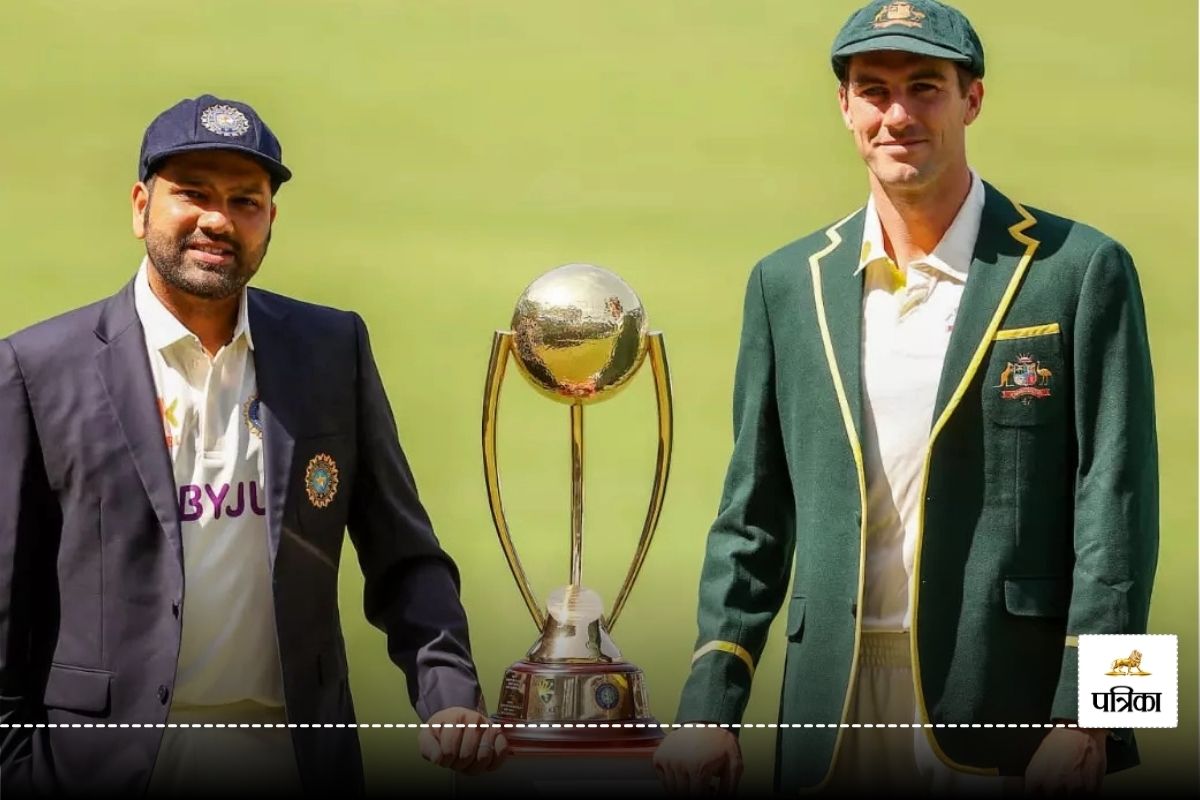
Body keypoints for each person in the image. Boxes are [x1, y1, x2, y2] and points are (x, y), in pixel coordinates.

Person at [652, 0, 1158, 795]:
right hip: (827, 710)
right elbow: (750, 514)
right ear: (844, 106)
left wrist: (1100, 718)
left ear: (972, 99)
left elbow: (1122, 512)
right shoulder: (786, 283)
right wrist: (708, 708)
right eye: (874, 90)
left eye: (924, 87)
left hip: (1017, 716)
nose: (897, 114)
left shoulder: (1082, 268)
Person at [0, 94, 507, 796]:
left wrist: (448, 693)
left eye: (246, 201)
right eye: (193, 194)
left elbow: (404, 556)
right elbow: (7, 601)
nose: (218, 220)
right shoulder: (38, 368)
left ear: (271, 220)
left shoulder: (330, 350)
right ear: (141, 207)